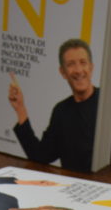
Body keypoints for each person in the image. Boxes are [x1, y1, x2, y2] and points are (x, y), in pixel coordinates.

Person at [8, 38, 99, 172]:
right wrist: (20, 109)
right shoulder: (61, 111)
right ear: (63, 72)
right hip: (71, 184)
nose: (78, 70)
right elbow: (40, 155)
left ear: (91, 68)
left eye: (83, 63)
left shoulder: (106, 102)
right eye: (71, 64)